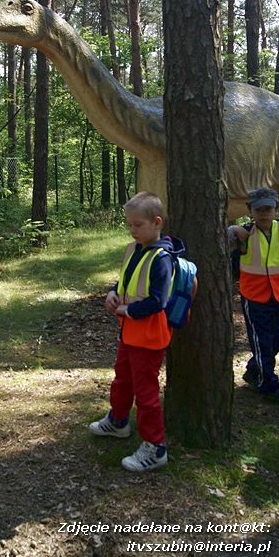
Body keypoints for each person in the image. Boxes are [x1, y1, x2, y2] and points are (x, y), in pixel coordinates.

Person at [89, 191, 186, 472]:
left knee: (146, 393)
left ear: (157, 222)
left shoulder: (162, 258)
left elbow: (158, 301)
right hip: (129, 333)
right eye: (129, 224)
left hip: (149, 336)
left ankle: (156, 448)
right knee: (122, 380)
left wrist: (127, 311)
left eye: (138, 225)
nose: (132, 230)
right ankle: (118, 422)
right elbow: (125, 281)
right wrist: (111, 294)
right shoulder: (135, 248)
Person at [228, 187, 279, 404]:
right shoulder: (245, 234)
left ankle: (254, 371)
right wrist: (232, 228)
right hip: (254, 299)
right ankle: (269, 386)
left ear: (276, 209)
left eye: (268, 208)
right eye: (258, 209)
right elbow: (225, 236)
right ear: (250, 211)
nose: (264, 213)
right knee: (262, 343)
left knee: (274, 343)